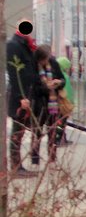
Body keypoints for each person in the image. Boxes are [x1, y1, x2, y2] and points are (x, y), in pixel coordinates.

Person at [6, 20, 38, 176]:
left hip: (27, 95)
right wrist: (21, 98)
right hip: (20, 97)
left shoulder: (26, 45)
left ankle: (17, 166)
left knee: (20, 130)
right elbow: (14, 73)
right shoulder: (14, 45)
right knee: (17, 131)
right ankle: (15, 166)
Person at [32, 46, 67, 164]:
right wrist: (46, 87)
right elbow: (33, 88)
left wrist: (59, 82)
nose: (47, 61)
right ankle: (35, 159)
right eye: (45, 59)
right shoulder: (33, 67)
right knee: (37, 132)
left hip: (53, 105)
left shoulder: (53, 63)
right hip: (39, 105)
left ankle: (52, 158)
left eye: (48, 58)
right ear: (39, 59)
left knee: (53, 132)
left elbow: (62, 79)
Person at [55, 48, 75, 146]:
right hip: (63, 103)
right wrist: (72, 102)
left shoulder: (56, 75)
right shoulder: (64, 77)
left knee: (59, 121)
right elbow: (69, 92)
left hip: (57, 103)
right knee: (62, 122)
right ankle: (58, 140)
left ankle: (61, 138)